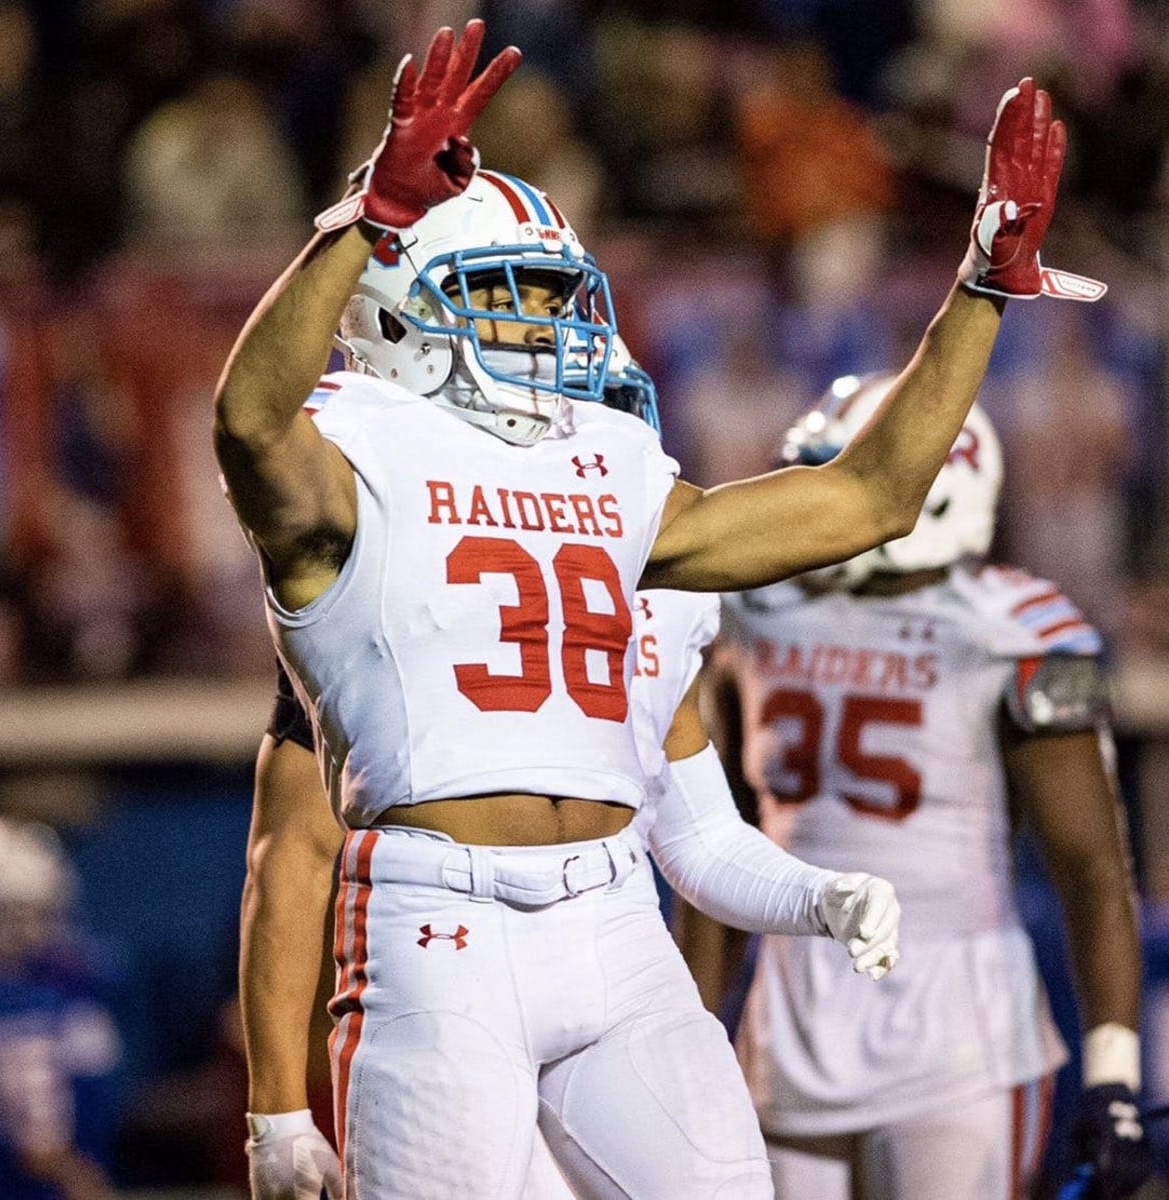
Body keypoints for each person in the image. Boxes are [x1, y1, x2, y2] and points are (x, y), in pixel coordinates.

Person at [213, 18, 1101, 1198]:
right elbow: (246, 423)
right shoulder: (350, 450)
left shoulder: (608, 461)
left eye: (547, 295)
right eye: (503, 295)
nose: (543, 327)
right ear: (391, 308)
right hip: (437, 933)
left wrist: (982, 291)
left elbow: (869, 499)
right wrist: (365, 218)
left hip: (619, 923)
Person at [239, 349, 902, 1200]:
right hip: (442, 953)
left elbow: (696, 835)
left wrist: (819, 898)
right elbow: (291, 851)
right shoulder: (395, 587)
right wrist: (278, 1114)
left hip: (607, 943)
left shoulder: (672, 597)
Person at [687, 374, 1150, 1200]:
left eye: (845, 473)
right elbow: (714, 840)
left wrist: (1114, 1075)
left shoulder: (1010, 628)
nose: (819, 500)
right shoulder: (759, 610)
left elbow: (1092, 868)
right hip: (789, 1021)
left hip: (960, 1039)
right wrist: (687, 1032)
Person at [0, 814, 123, 1200]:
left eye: (39, 913)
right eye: (18, 914)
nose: (31, 929)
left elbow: (95, 1108)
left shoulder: (69, 995)